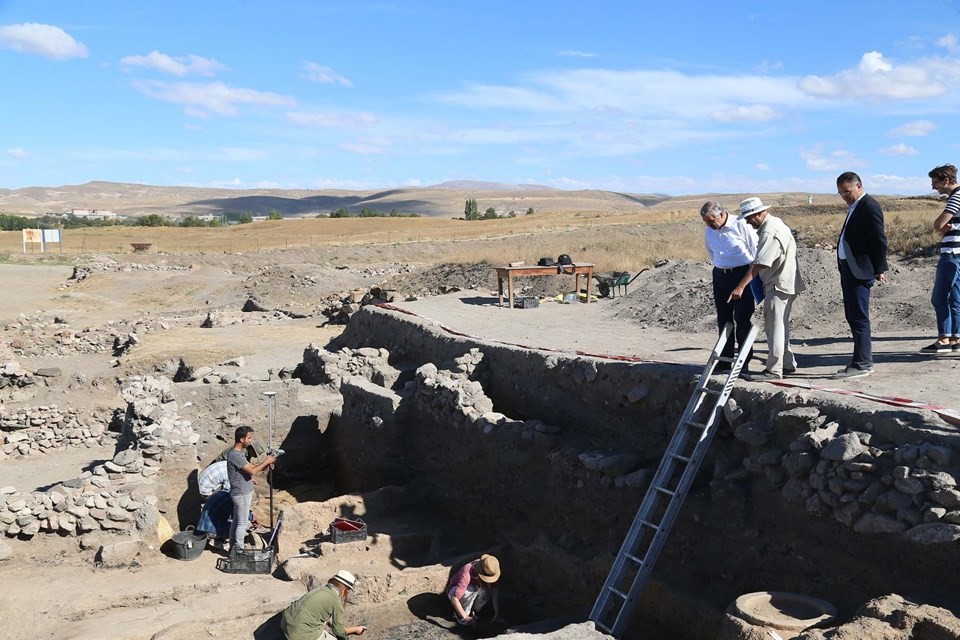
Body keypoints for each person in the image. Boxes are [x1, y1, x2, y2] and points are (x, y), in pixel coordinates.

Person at [730, 197, 806, 381]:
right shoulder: (775, 224)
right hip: (784, 282)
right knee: (780, 326)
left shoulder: (770, 231)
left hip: (778, 284)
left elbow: (760, 263)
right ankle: (787, 364)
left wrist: (741, 286)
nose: (748, 222)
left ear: (758, 213)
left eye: (749, 217)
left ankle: (773, 370)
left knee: (774, 327)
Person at [834, 172, 888, 378]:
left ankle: (863, 363)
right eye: (841, 194)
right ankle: (858, 361)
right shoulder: (855, 207)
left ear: (859, 186)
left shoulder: (868, 206)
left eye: (847, 192)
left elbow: (878, 239)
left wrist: (879, 268)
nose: (845, 197)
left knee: (859, 317)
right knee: (853, 315)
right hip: (849, 269)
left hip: (860, 269)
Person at [700, 201, 758, 372]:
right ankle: (724, 360)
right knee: (723, 319)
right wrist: (722, 266)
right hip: (720, 275)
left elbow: (754, 250)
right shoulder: (709, 231)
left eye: (712, 221)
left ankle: (743, 361)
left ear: (722, 214)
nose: (710, 225)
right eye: (706, 222)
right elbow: (710, 252)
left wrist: (746, 278)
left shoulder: (741, 224)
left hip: (742, 274)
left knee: (742, 319)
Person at [923, 164, 960, 354]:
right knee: (955, 298)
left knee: (939, 298)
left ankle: (944, 339)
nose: (933, 187)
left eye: (935, 182)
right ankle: (955, 339)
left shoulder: (956, 197)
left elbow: (938, 223)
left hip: (952, 255)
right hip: (956, 254)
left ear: (946, 180)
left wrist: (941, 226)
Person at [226, 426, 275, 554]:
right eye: (249, 438)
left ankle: (233, 547)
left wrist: (266, 466)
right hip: (241, 493)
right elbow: (253, 470)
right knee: (242, 523)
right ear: (241, 439)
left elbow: (252, 468)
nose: (250, 441)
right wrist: (266, 461)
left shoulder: (238, 455)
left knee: (236, 521)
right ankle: (238, 550)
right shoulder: (235, 455)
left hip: (241, 492)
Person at [281, 569, 367, 640]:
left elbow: (328, 620)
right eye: (348, 589)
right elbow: (339, 631)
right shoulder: (336, 600)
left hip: (286, 623)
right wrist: (356, 630)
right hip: (301, 633)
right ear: (344, 588)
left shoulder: (321, 589)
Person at [447, 554, 501, 626]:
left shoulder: (488, 567)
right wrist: (466, 617)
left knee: (485, 591)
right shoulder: (466, 575)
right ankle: (460, 613)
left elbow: (495, 591)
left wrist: (497, 613)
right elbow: (454, 598)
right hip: (455, 590)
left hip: (475, 585)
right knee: (471, 590)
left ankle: (475, 610)